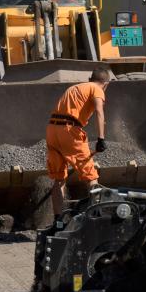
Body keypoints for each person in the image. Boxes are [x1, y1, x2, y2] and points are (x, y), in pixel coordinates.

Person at [47, 67, 112, 224]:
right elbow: (99, 111)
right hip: (70, 131)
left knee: (59, 179)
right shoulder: (97, 89)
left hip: (52, 130)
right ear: (106, 83)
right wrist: (101, 139)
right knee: (91, 177)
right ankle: (97, 220)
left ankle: (59, 222)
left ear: (90, 78)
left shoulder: (75, 88)